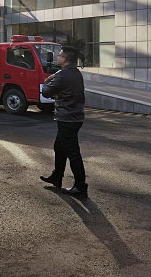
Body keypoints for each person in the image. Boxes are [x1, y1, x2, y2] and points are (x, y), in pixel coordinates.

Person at [40, 46, 88, 197]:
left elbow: (45, 91)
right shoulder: (75, 73)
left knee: (73, 152)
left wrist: (47, 80)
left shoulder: (63, 75)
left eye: (59, 55)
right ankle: (57, 177)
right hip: (74, 117)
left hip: (68, 119)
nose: (57, 57)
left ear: (65, 59)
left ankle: (80, 187)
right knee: (59, 147)